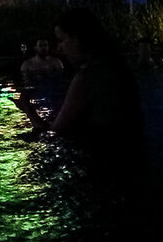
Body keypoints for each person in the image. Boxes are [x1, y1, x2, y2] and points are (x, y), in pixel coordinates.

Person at [13, 8, 143, 142]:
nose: (59, 48)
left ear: (76, 38)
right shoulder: (119, 68)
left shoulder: (87, 78)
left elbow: (53, 134)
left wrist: (27, 108)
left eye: (61, 40)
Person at [20, 37, 65, 108]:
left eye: (45, 45)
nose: (43, 48)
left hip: (52, 91)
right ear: (35, 48)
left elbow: (60, 79)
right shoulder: (27, 65)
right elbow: (26, 82)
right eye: (40, 45)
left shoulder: (56, 63)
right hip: (36, 91)